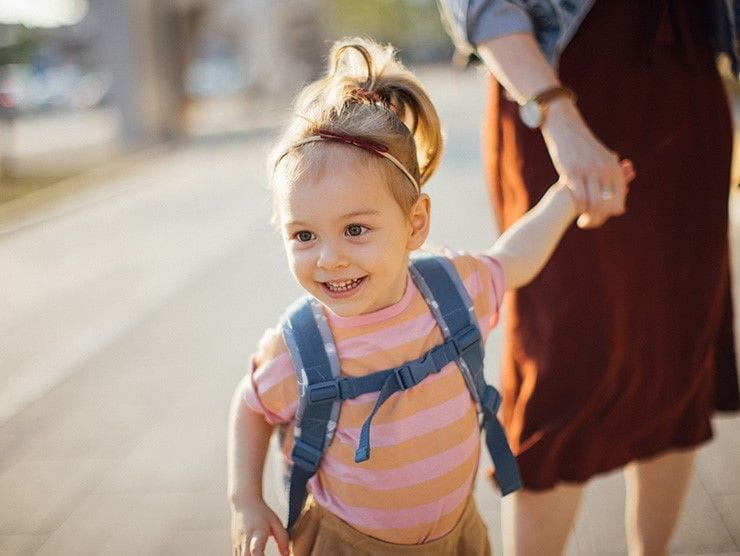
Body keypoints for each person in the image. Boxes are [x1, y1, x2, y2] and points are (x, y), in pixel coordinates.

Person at [227, 37, 631, 556]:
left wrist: (563, 199)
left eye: (355, 230)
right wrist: (246, 500)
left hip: (455, 534)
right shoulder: (302, 348)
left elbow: (515, 261)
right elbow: (252, 405)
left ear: (415, 223)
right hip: (347, 543)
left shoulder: (452, 290)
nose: (329, 259)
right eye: (303, 235)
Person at [437, 1, 740, 553]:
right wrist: (556, 112)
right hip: (559, 83)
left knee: (678, 355)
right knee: (563, 366)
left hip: (687, 85)